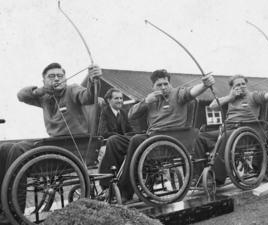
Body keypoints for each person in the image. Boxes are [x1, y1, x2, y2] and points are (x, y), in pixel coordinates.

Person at [0, 62, 101, 223]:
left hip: (70, 147)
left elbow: (88, 96)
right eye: (51, 76)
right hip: (54, 145)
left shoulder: (72, 89)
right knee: (4, 148)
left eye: (60, 76)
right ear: (44, 81)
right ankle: (3, 207)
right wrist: (38, 91)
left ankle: (13, 213)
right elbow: (21, 95)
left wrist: (93, 79)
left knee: (19, 149)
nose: (56, 79)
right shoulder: (43, 96)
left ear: (66, 79)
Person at [98, 69, 215, 201]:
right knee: (114, 141)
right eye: (159, 85)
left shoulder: (178, 94)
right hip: (151, 137)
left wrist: (205, 85)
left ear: (170, 84)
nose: (163, 87)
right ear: (153, 87)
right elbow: (131, 115)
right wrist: (146, 101)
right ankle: (107, 186)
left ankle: (125, 190)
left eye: (166, 84)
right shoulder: (151, 98)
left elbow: (192, 92)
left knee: (137, 140)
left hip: (170, 139)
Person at [194, 74, 268, 184]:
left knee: (225, 137)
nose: (242, 86)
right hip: (228, 130)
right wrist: (230, 97)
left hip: (244, 132)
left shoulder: (253, 96)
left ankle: (218, 178)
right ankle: (198, 176)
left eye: (243, 84)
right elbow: (212, 106)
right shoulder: (231, 98)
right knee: (200, 137)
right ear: (232, 88)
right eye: (238, 84)